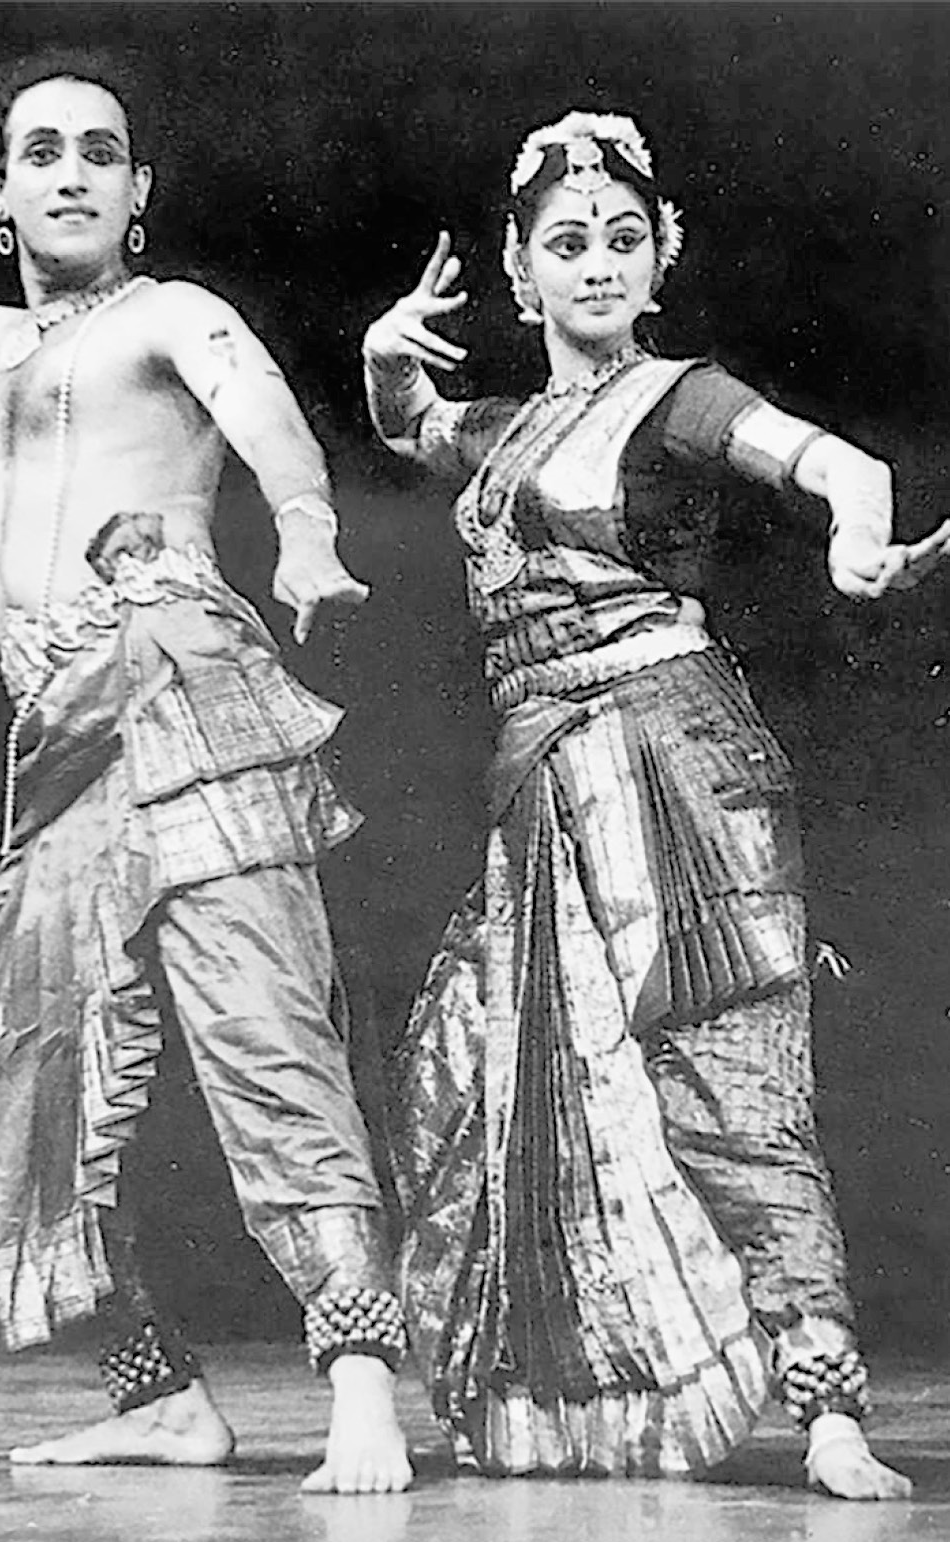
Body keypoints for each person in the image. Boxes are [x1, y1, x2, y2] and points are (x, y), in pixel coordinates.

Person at [0, 48, 412, 1494]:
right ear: (3, 193)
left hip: (177, 693)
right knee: (8, 1070)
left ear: (138, 191)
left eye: (100, 150)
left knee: (260, 1029)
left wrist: (309, 528)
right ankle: (160, 1395)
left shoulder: (174, 316)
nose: (71, 170)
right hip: (60, 745)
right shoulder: (7, 350)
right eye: (41, 153)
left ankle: (360, 1383)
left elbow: (267, 415)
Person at [362, 109, 947, 1499]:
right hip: (545, 786)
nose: (596, 264)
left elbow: (830, 464)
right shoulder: (505, 431)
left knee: (725, 1079)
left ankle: (826, 1412)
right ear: (518, 270)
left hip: (669, 772)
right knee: (489, 1070)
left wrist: (859, 542)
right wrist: (386, 355)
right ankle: (573, 1401)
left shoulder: (675, 396)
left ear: (657, 259)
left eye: (623, 239)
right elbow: (410, 429)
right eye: (566, 244)